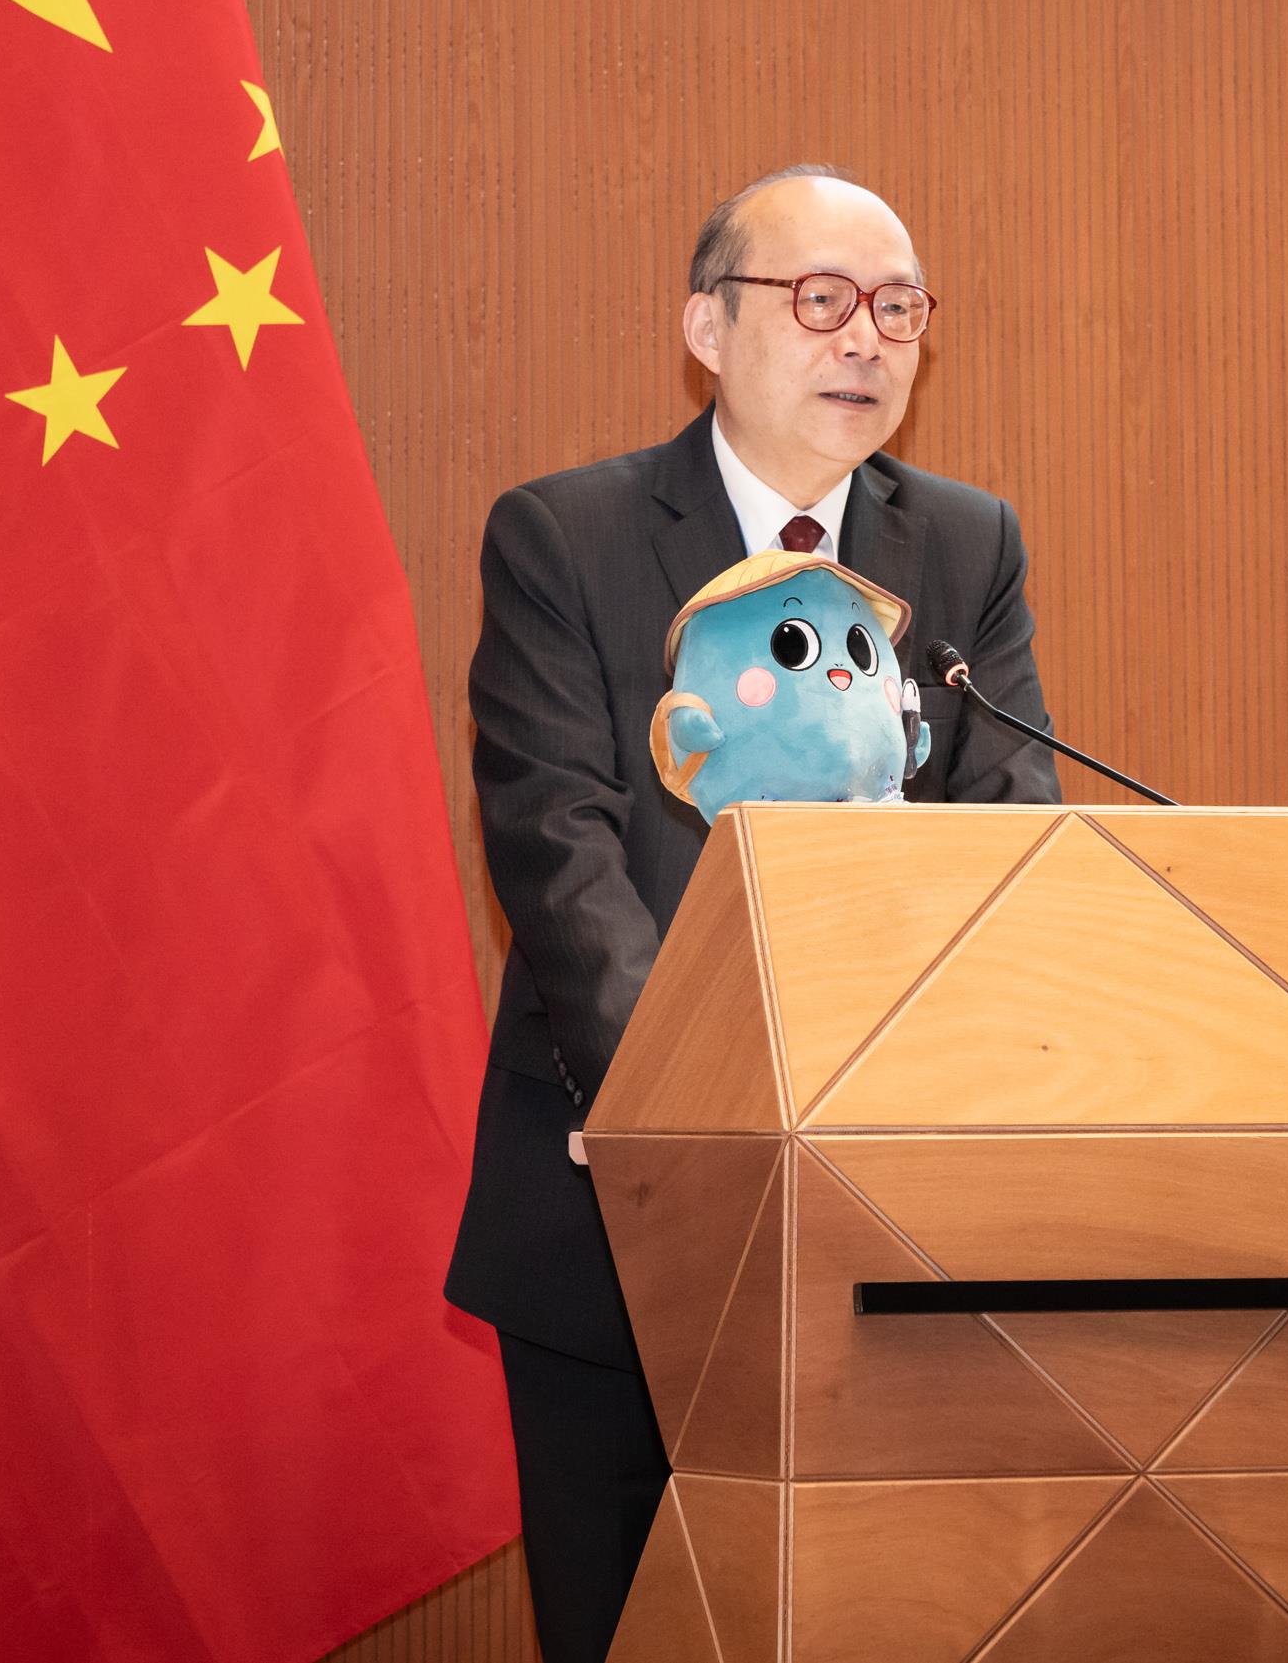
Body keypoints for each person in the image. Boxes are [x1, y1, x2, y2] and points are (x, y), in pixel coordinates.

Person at [443, 165, 1063, 1660]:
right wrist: (703, 1113)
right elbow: (561, 846)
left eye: (897, 308)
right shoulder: (566, 538)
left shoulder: (965, 548)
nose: (865, 338)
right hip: (622, 1206)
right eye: (821, 299)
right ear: (707, 329)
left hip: (894, 1219)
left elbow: (1008, 831)